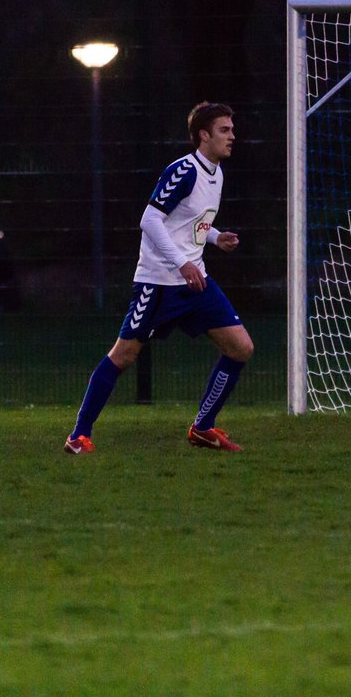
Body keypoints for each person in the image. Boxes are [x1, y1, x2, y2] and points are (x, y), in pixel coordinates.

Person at [64, 101, 254, 453]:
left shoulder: (217, 173)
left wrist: (215, 237)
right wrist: (182, 263)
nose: (232, 136)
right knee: (123, 356)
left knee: (241, 347)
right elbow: (150, 219)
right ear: (203, 135)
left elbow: (189, 223)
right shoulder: (184, 171)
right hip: (159, 284)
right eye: (224, 130)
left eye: (231, 129)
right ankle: (78, 435)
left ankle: (203, 427)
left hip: (195, 282)